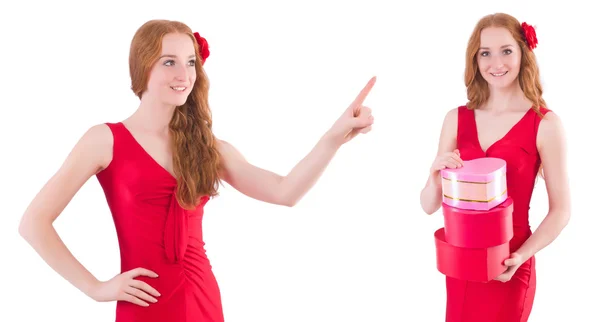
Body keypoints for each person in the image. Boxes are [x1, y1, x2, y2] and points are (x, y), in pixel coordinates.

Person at [18, 19, 376, 322]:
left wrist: (333, 137)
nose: (184, 74)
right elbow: (34, 222)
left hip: (202, 297)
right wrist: (96, 287)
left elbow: (285, 191)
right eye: (169, 62)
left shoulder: (210, 147)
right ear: (144, 67)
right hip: (143, 302)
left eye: (190, 62)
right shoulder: (104, 140)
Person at [419, 13, 571, 322]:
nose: (496, 62)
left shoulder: (545, 124)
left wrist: (522, 256)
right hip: (462, 261)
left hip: (510, 262)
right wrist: (435, 175)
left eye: (506, 50)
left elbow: (561, 211)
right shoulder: (455, 118)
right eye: (485, 53)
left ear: (522, 53)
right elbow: (428, 205)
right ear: (475, 59)